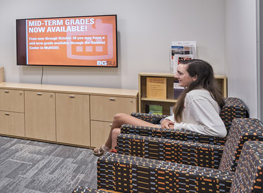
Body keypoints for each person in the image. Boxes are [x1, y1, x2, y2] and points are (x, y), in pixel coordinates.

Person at [93, 59, 225, 156]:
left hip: (173, 135)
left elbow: (219, 131)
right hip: (173, 131)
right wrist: (165, 119)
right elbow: (186, 117)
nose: (175, 76)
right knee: (116, 131)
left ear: (195, 77)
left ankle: (104, 149)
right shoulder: (203, 92)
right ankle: (107, 153)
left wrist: (179, 126)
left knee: (119, 117)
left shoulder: (196, 97)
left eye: (180, 73)